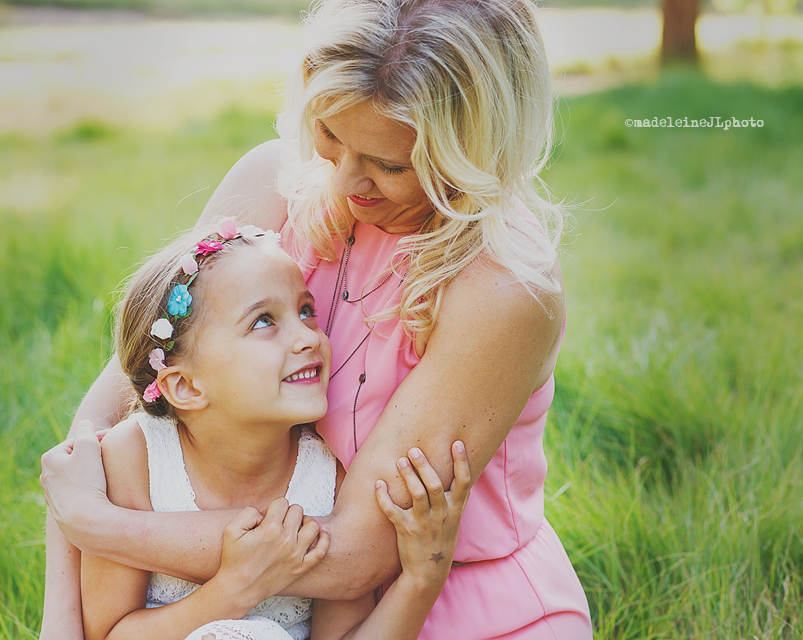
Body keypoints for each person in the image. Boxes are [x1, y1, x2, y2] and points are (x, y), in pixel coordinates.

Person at [40, 0, 593, 637]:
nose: (348, 183)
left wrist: (104, 526)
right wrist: (63, 622)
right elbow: (92, 438)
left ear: (476, 153)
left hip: (452, 592)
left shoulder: (503, 289)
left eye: (389, 165)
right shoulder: (273, 179)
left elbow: (359, 555)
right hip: (273, 597)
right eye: (332, 137)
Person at [76, 220, 471, 640]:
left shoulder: (325, 475)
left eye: (306, 311)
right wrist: (233, 590)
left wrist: (421, 579)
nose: (306, 337)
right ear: (185, 386)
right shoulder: (136, 458)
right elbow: (108, 634)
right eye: (264, 321)